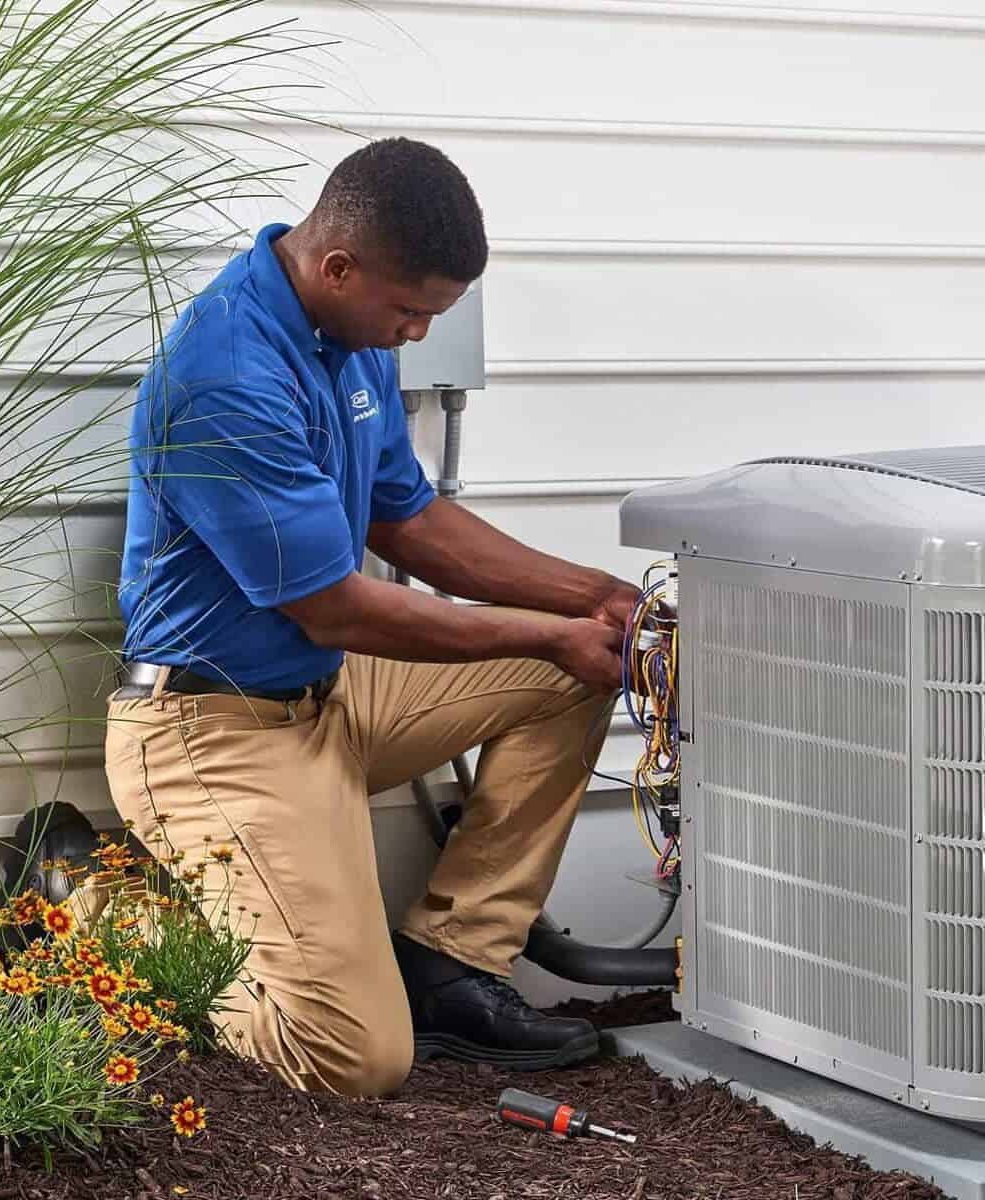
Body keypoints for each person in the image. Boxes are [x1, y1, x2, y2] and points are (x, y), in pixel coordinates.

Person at [103, 137, 638, 1097]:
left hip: (327, 699)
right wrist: (547, 626)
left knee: (570, 670)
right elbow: (334, 607)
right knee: (351, 1057)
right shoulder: (226, 374)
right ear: (337, 266)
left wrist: (593, 599)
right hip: (211, 729)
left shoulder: (347, 340)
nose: (417, 336)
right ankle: (102, 919)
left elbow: (412, 518)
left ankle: (455, 965)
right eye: (409, 310)